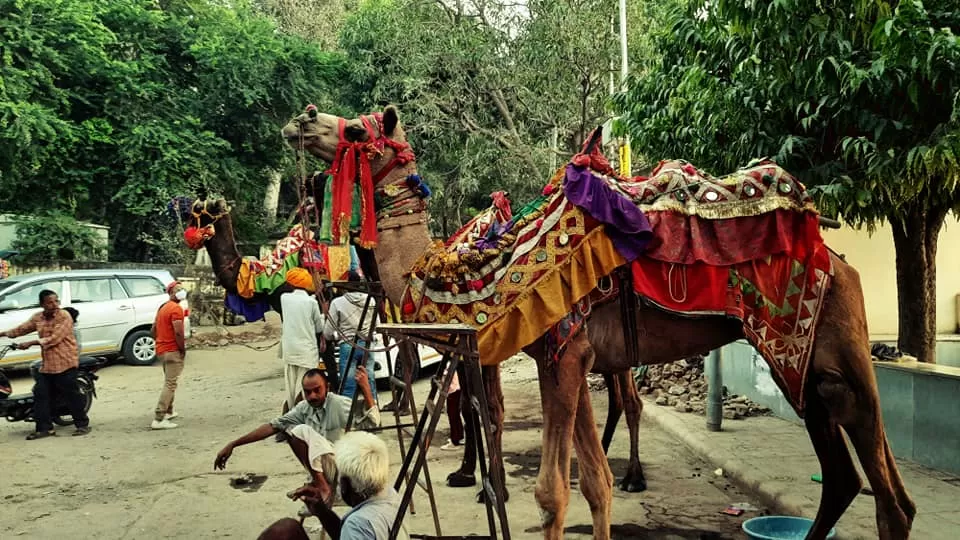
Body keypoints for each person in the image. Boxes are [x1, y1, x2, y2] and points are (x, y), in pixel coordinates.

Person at [214, 366, 380, 506]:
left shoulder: (337, 403)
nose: (312, 396)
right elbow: (272, 426)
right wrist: (233, 444)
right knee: (290, 431)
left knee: (301, 431)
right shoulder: (303, 408)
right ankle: (320, 484)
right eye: (308, 392)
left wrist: (366, 388)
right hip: (324, 466)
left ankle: (323, 488)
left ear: (327, 388)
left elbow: (373, 424)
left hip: (344, 468)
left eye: (317, 390)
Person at [256, 431, 409, 540]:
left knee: (282, 532)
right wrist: (322, 512)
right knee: (288, 529)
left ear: (346, 485)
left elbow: (355, 531)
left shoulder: (357, 525)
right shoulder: (390, 495)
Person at [0, 289, 90, 439]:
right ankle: (44, 429)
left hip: (65, 363)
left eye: (56, 301)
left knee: (71, 395)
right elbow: (21, 329)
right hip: (48, 365)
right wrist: (3, 334)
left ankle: (82, 424)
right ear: (42, 304)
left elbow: (54, 339)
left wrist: (31, 343)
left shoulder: (64, 316)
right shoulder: (38, 317)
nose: (54, 305)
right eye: (50, 302)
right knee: (40, 394)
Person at [323, 270, 378, 402]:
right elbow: (376, 324)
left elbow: (328, 332)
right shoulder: (371, 300)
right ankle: (373, 407)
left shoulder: (337, 302)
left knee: (348, 384)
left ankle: (347, 410)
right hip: (367, 345)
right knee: (369, 379)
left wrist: (335, 336)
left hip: (348, 345)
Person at [279, 267, 326, 410]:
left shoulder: (284, 298)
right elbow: (319, 328)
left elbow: (299, 303)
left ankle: (291, 410)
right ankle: (303, 411)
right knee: (305, 384)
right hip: (306, 350)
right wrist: (323, 314)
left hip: (289, 349)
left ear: (290, 284)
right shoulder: (311, 303)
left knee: (291, 385)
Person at [151, 281, 187, 430]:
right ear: (171, 293)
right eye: (178, 289)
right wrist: (182, 349)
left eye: (182, 289)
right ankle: (159, 418)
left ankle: (168, 411)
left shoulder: (163, 307)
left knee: (169, 381)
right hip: (172, 350)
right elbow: (178, 332)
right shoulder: (176, 309)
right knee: (170, 384)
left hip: (161, 350)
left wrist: (160, 341)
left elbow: (153, 329)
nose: (182, 291)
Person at [440, 369, 464, 451]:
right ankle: (459, 436)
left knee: (452, 415)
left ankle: (455, 441)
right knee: (455, 415)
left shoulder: (449, 365)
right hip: (456, 389)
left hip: (453, 390)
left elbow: (446, 376)